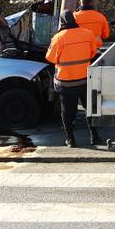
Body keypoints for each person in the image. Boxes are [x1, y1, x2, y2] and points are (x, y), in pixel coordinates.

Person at [45, 11, 100, 147]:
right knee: (90, 109)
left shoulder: (58, 37)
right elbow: (93, 53)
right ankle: (95, 136)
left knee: (68, 112)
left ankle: (70, 139)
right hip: (85, 80)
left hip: (66, 83)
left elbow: (50, 58)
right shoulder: (87, 33)